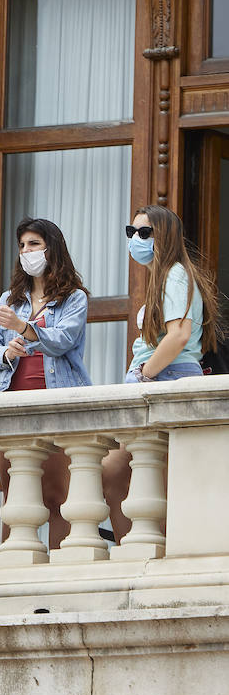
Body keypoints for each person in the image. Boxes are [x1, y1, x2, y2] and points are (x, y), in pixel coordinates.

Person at [104, 206, 221, 537]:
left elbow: (180, 335)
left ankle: (144, 551)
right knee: (126, 475)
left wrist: (145, 374)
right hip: (162, 376)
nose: (136, 240)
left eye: (145, 233)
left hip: (163, 377)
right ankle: (135, 549)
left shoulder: (176, 274)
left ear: (165, 236)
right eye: (132, 232)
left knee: (124, 474)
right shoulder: (166, 276)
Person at [0, 217, 91, 547]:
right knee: (15, 493)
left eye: (34, 244)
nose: (26, 251)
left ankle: (55, 568)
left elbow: (63, 340)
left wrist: (25, 327)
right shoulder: (8, 299)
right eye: (23, 245)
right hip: (12, 403)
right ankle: (15, 564)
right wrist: (6, 353)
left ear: (51, 248)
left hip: (57, 403)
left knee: (58, 494)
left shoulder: (74, 298)